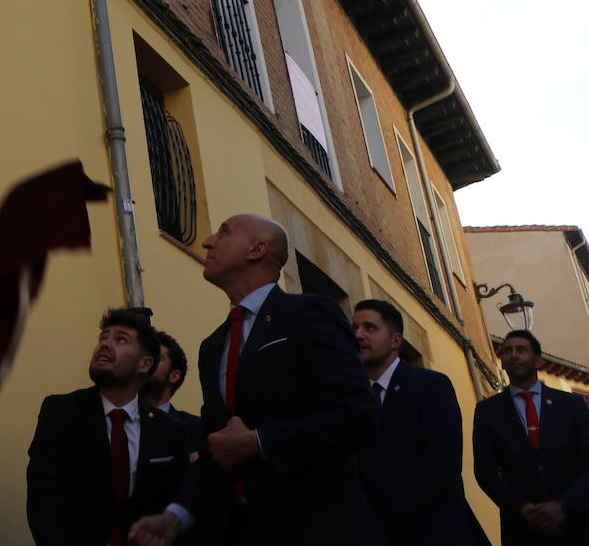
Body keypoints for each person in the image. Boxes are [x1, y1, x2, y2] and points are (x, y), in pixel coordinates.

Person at [130, 214, 381, 546]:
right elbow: (215, 449)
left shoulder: (310, 314)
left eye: (224, 232)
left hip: (314, 527)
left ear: (257, 249)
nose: (207, 241)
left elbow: (359, 416)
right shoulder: (213, 346)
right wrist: (175, 516)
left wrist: (260, 441)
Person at [28, 308, 189, 546]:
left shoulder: (170, 431)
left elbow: (175, 502)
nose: (104, 345)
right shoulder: (62, 412)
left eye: (120, 339)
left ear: (145, 364)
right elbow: (44, 501)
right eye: (103, 338)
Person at [352, 299, 484, 545]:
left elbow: (442, 462)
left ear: (396, 341)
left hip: (434, 530)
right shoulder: (351, 397)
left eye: (370, 328)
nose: (358, 335)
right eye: (355, 328)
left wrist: (392, 512)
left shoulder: (431, 385)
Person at [473, 330, 589, 544]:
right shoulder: (488, 411)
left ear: (537, 361)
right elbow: (484, 471)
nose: (514, 355)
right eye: (507, 351)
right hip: (521, 528)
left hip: (576, 524)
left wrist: (565, 505)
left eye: (521, 350)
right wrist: (524, 508)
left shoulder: (571, 405)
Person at [142, 330, 201, 460]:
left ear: (174, 376)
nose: (145, 362)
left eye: (156, 358)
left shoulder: (194, 429)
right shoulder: (115, 419)